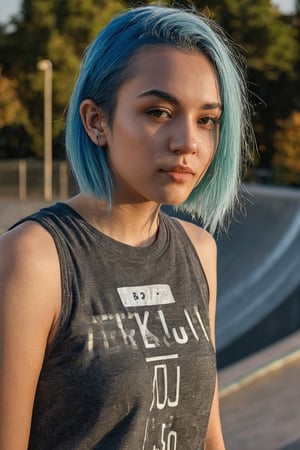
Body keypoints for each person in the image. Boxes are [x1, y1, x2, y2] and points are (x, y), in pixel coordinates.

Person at [0, 5, 253, 450]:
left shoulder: (199, 250)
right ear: (97, 121)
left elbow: (208, 433)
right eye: (159, 112)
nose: (188, 142)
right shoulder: (34, 259)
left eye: (206, 120)